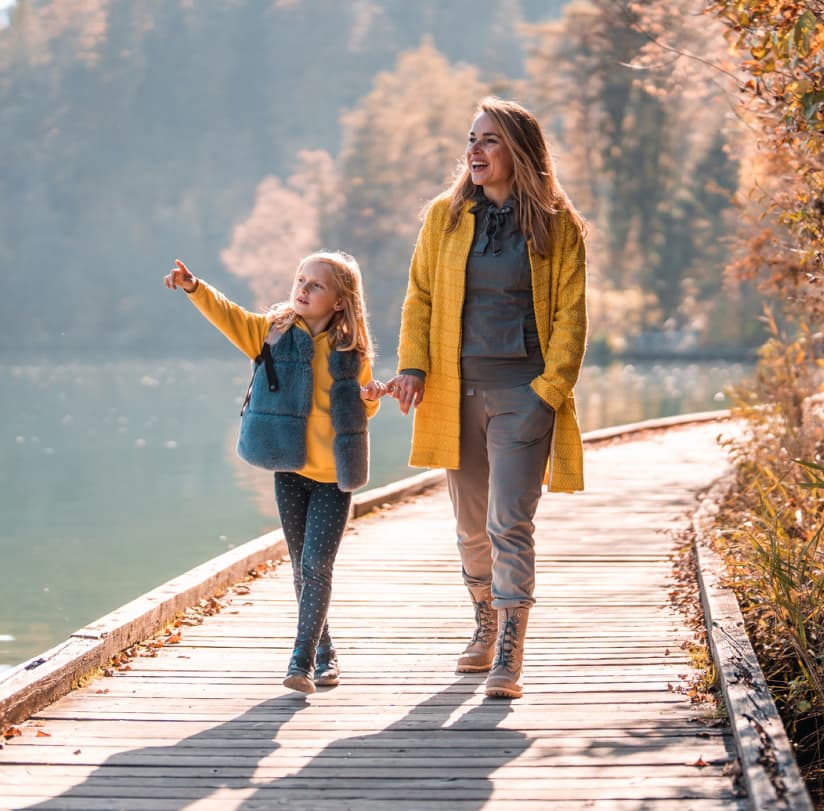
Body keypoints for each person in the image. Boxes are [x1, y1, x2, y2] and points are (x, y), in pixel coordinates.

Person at [388, 97, 588, 699]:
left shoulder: (558, 225)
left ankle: (510, 650)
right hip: (455, 392)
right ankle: (483, 623)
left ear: (520, 151)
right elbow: (419, 296)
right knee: (470, 527)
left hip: (524, 394)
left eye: (490, 140)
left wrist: (548, 391)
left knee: (509, 522)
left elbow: (572, 318)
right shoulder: (443, 218)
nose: (474, 151)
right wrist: (413, 367)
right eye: (471, 139)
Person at [164, 252, 386, 694]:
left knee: (317, 565)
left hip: (332, 475)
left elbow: (361, 409)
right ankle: (325, 652)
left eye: (316, 285)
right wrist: (195, 288)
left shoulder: (349, 351)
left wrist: (372, 395)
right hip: (288, 466)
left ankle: (300, 662)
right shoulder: (273, 333)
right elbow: (229, 317)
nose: (302, 289)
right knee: (303, 569)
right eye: (300, 280)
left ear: (340, 302)